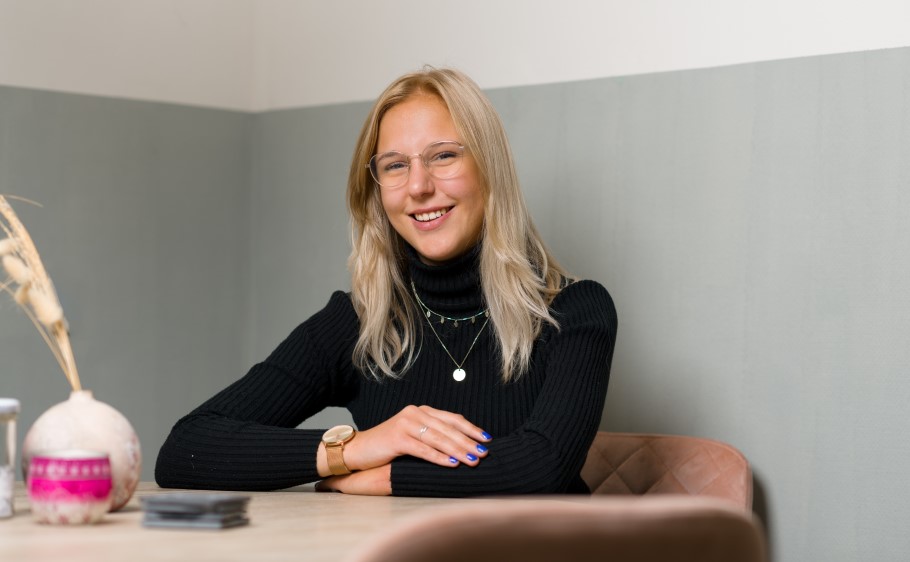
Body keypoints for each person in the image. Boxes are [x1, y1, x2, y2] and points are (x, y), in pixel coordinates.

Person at [155, 67, 617, 497]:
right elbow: (185, 449)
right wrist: (355, 451)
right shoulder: (358, 322)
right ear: (376, 189)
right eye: (395, 165)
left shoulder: (574, 311)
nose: (418, 186)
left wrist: (384, 478)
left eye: (443, 156)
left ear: (490, 168)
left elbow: (543, 463)